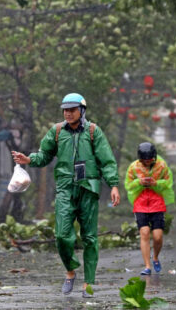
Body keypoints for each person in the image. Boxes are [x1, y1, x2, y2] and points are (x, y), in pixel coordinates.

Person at [11, 93, 120, 298]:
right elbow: (44, 156)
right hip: (65, 189)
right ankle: (70, 272)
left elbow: (107, 160)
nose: (68, 113)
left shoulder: (93, 131)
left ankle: (88, 283)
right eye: (65, 110)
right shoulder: (57, 131)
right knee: (61, 235)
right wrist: (29, 159)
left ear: (82, 110)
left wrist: (113, 185)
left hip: (88, 188)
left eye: (72, 109)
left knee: (89, 238)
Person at [124, 142, 174, 275]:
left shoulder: (162, 166)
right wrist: (139, 182)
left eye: (149, 160)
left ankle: (155, 257)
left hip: (157, 203)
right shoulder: (133, 167)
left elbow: (168, 182)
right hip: (140, 204)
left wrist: (156, 183)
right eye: (144, 161)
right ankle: (147, 266)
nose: (147, 163)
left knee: (158, 237)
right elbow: (128, 185)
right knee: (144, 232)